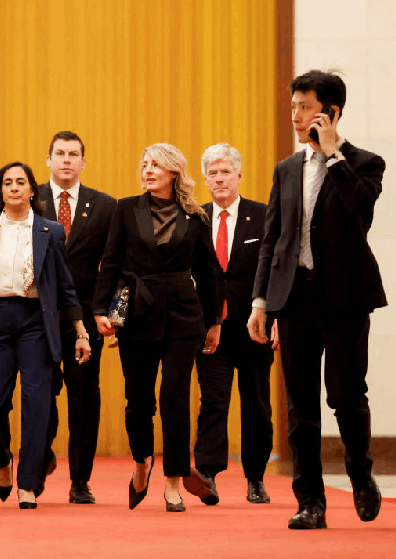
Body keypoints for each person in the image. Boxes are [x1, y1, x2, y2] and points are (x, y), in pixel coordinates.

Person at [247, 70, 386, 530]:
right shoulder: (287, 169)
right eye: (293, 107)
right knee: (300, 405)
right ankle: (310, 501)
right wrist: (260, 302)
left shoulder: (365, 163)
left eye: (305, 107)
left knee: (346, 396)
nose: (295, 115)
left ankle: (361, 477)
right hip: (294, 298)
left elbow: (359, 209)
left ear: (331, 112)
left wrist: (333, 155)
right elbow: (272, 239)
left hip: (345, 299)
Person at [94, 143, 221, 513]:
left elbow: (208, 274)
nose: (148, 170)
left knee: (175, 397)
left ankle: (173, 482)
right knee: (138, 401)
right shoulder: (125, 209)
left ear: (173, 172)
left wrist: (214, 322)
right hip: (137, 312)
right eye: (145, 164)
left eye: (156, 165)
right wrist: (101, 310)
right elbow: (111, 262)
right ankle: (142, 462)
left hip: (184, 316)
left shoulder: (196, 216)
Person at [0, 162, 90, 509]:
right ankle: (2, 459)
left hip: (36, 322)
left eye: (21, 182)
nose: (14, 188)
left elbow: (65, 285)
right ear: (0, 191)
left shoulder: (50, 231)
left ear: (32, 190)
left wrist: (80, 330)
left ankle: (28, 483)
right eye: (7, 183)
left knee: (37, 404)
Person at [193, 144, 274, 505]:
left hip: (254, 327)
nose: (219, 179)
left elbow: (275, 270)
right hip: (210, 329)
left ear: (239, 175)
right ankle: (207, 474)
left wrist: (275, 317)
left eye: (226, 172)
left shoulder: (263, 215)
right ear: (205, 179)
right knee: (213, 401)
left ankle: (256, 478)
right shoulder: (195, 218)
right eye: (212, 173)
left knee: (256, 404)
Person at [39, 131, 116, 503]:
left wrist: (113, 316)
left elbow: (114, 267)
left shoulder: (105, 206)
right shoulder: (29, 199)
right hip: (37, 317)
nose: (66, 160)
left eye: (73, 154)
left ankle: (80, 480)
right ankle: (42, 453)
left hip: (86, 319)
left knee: (84, 397)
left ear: (83, 162)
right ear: (49, 160)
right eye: (60, 153)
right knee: (42, 392)